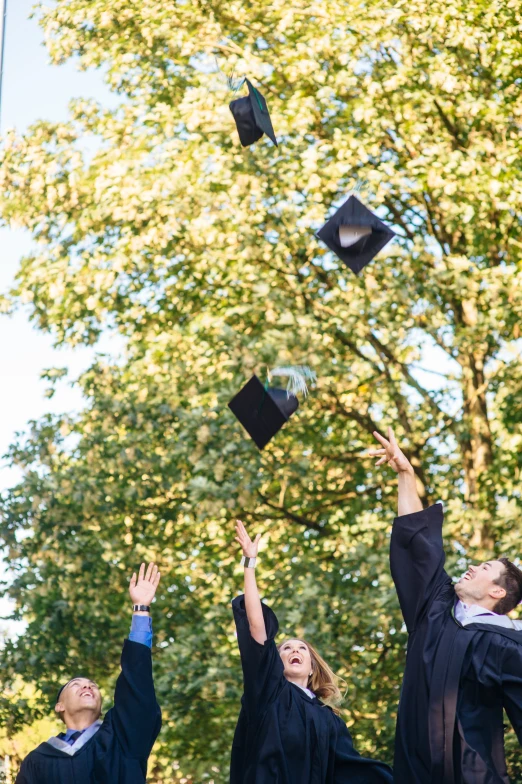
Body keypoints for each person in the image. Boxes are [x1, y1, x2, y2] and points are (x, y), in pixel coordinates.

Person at [370, 427, 522, 784]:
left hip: (473, 775)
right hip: (413, 769)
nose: (471, 566)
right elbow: (416, 543)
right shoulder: (435, 609)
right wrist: (405, 475)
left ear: (498, 593)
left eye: (484, 568)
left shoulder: (507, 644)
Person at [230, 519, 394, 784]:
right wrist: (250, 565)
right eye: (286, 648)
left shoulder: (330, 721)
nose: (295, 650)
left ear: (312, 667)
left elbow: (350, 770)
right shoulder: (269, 693)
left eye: (302, 648)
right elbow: (258, 630)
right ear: (275, 661)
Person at [16, 562, 162, 784]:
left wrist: (141, 608)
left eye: (92, 685)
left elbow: (137, 684)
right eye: (76, 684)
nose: (87, 686)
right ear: (59, 706)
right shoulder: (37, 762)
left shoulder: (121, 736)